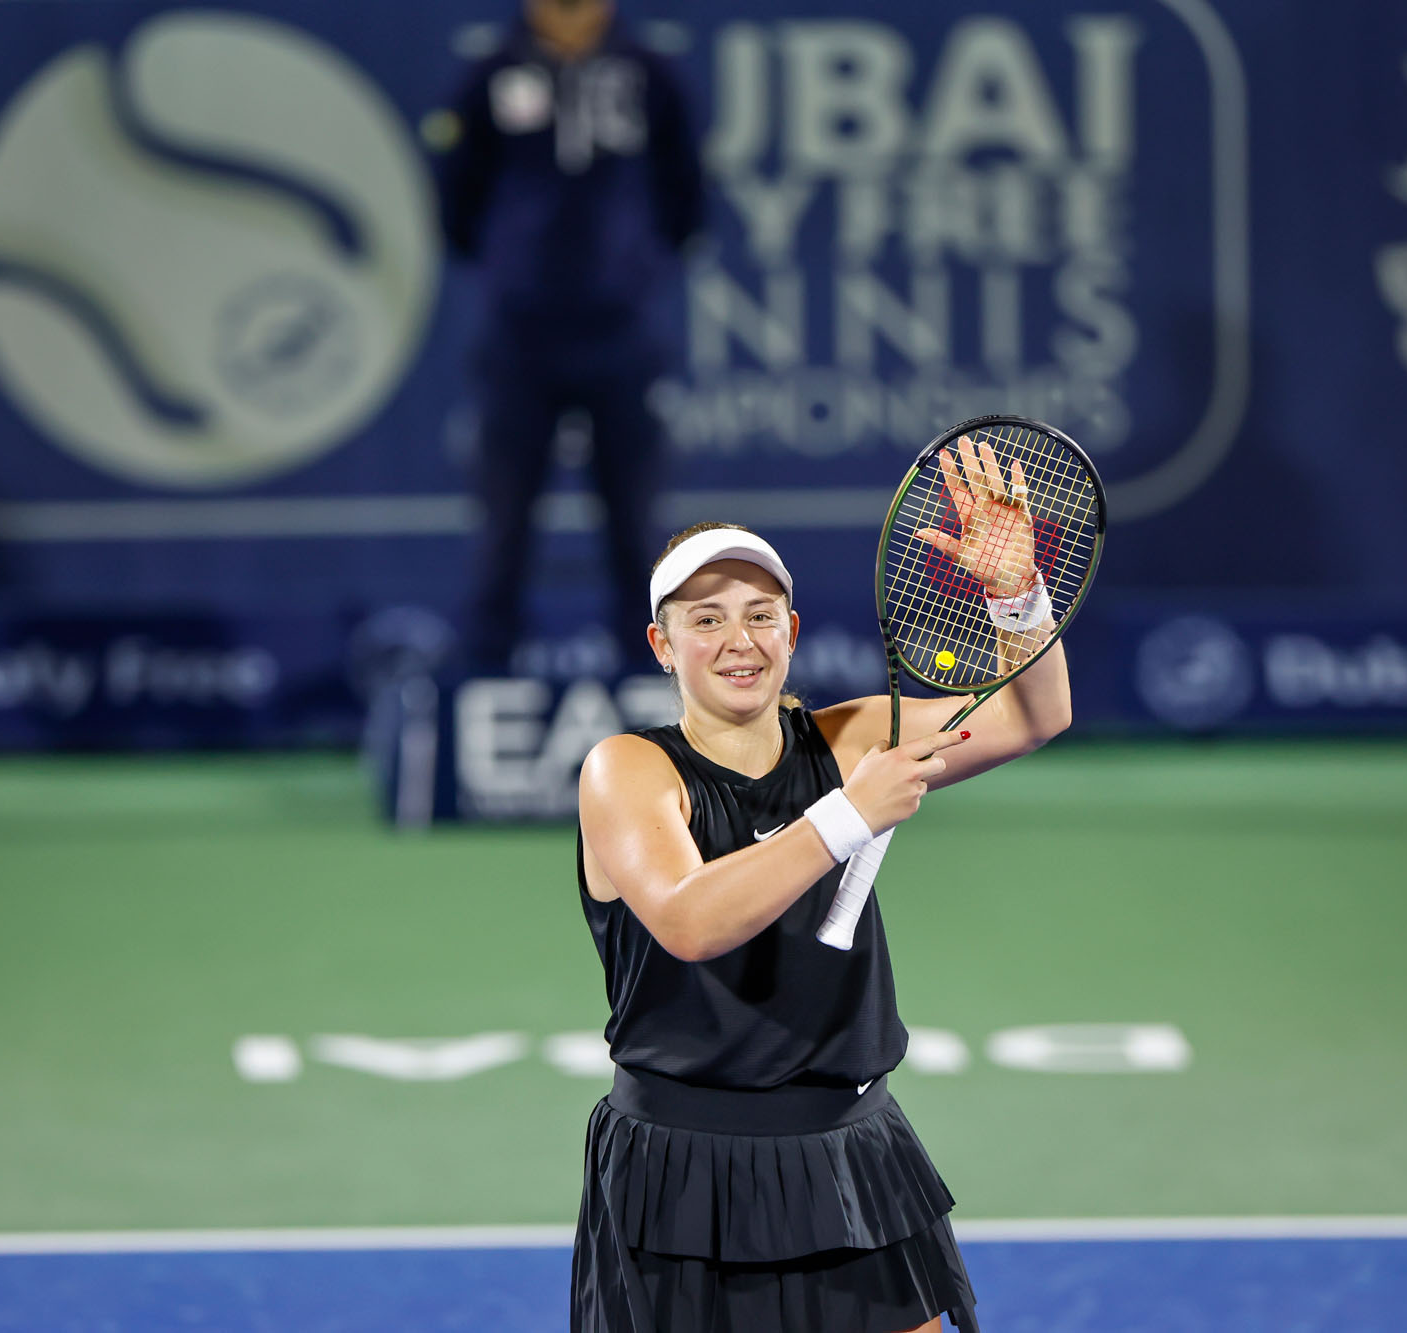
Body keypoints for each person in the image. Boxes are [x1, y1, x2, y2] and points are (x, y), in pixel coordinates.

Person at [572, 440, 1075, 1332]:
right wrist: (848, 816)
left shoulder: (852, 737)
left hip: (851, 1152)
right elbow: (690, 921)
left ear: (792, 633)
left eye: (762, 615)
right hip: (688, 1171)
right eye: (707, 618)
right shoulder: (627, 770)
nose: (740, 641)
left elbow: (1036, 715)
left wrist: (1016, 592)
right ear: (662, 643)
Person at [430, 0, 703, 674]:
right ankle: (484, 688)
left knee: (636, 527)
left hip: (621, 334)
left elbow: (685, 200)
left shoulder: (650, 74)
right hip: (520, 337)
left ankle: (651, 696)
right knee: (503, 525)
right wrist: (516, 268)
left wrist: (628, 271)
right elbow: (456, 201)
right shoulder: (491, 73)